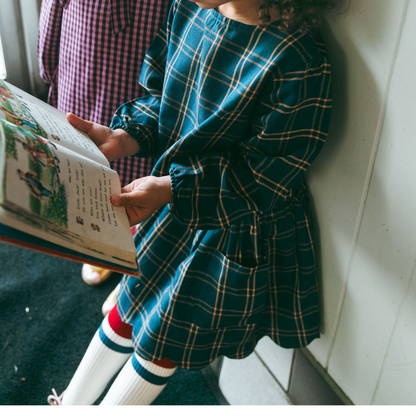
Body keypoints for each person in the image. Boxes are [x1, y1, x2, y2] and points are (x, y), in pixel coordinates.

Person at [47, 0, 334, 405]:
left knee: (166, 335)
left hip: (232, 227)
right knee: (131, 301)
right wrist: (124, 136)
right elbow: (162, 97)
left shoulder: (298, 59)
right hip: (175, 205)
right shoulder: (188, 8)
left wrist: (169, 189)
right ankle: (70, 406)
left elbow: (264, 180)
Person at [37, 0, 171, 288]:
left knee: (141, 168)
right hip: (85, 51)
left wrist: (47, 69)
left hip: (151, 65)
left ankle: (134, 247)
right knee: (90, 152)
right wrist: (49, 68)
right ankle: (101, 236)